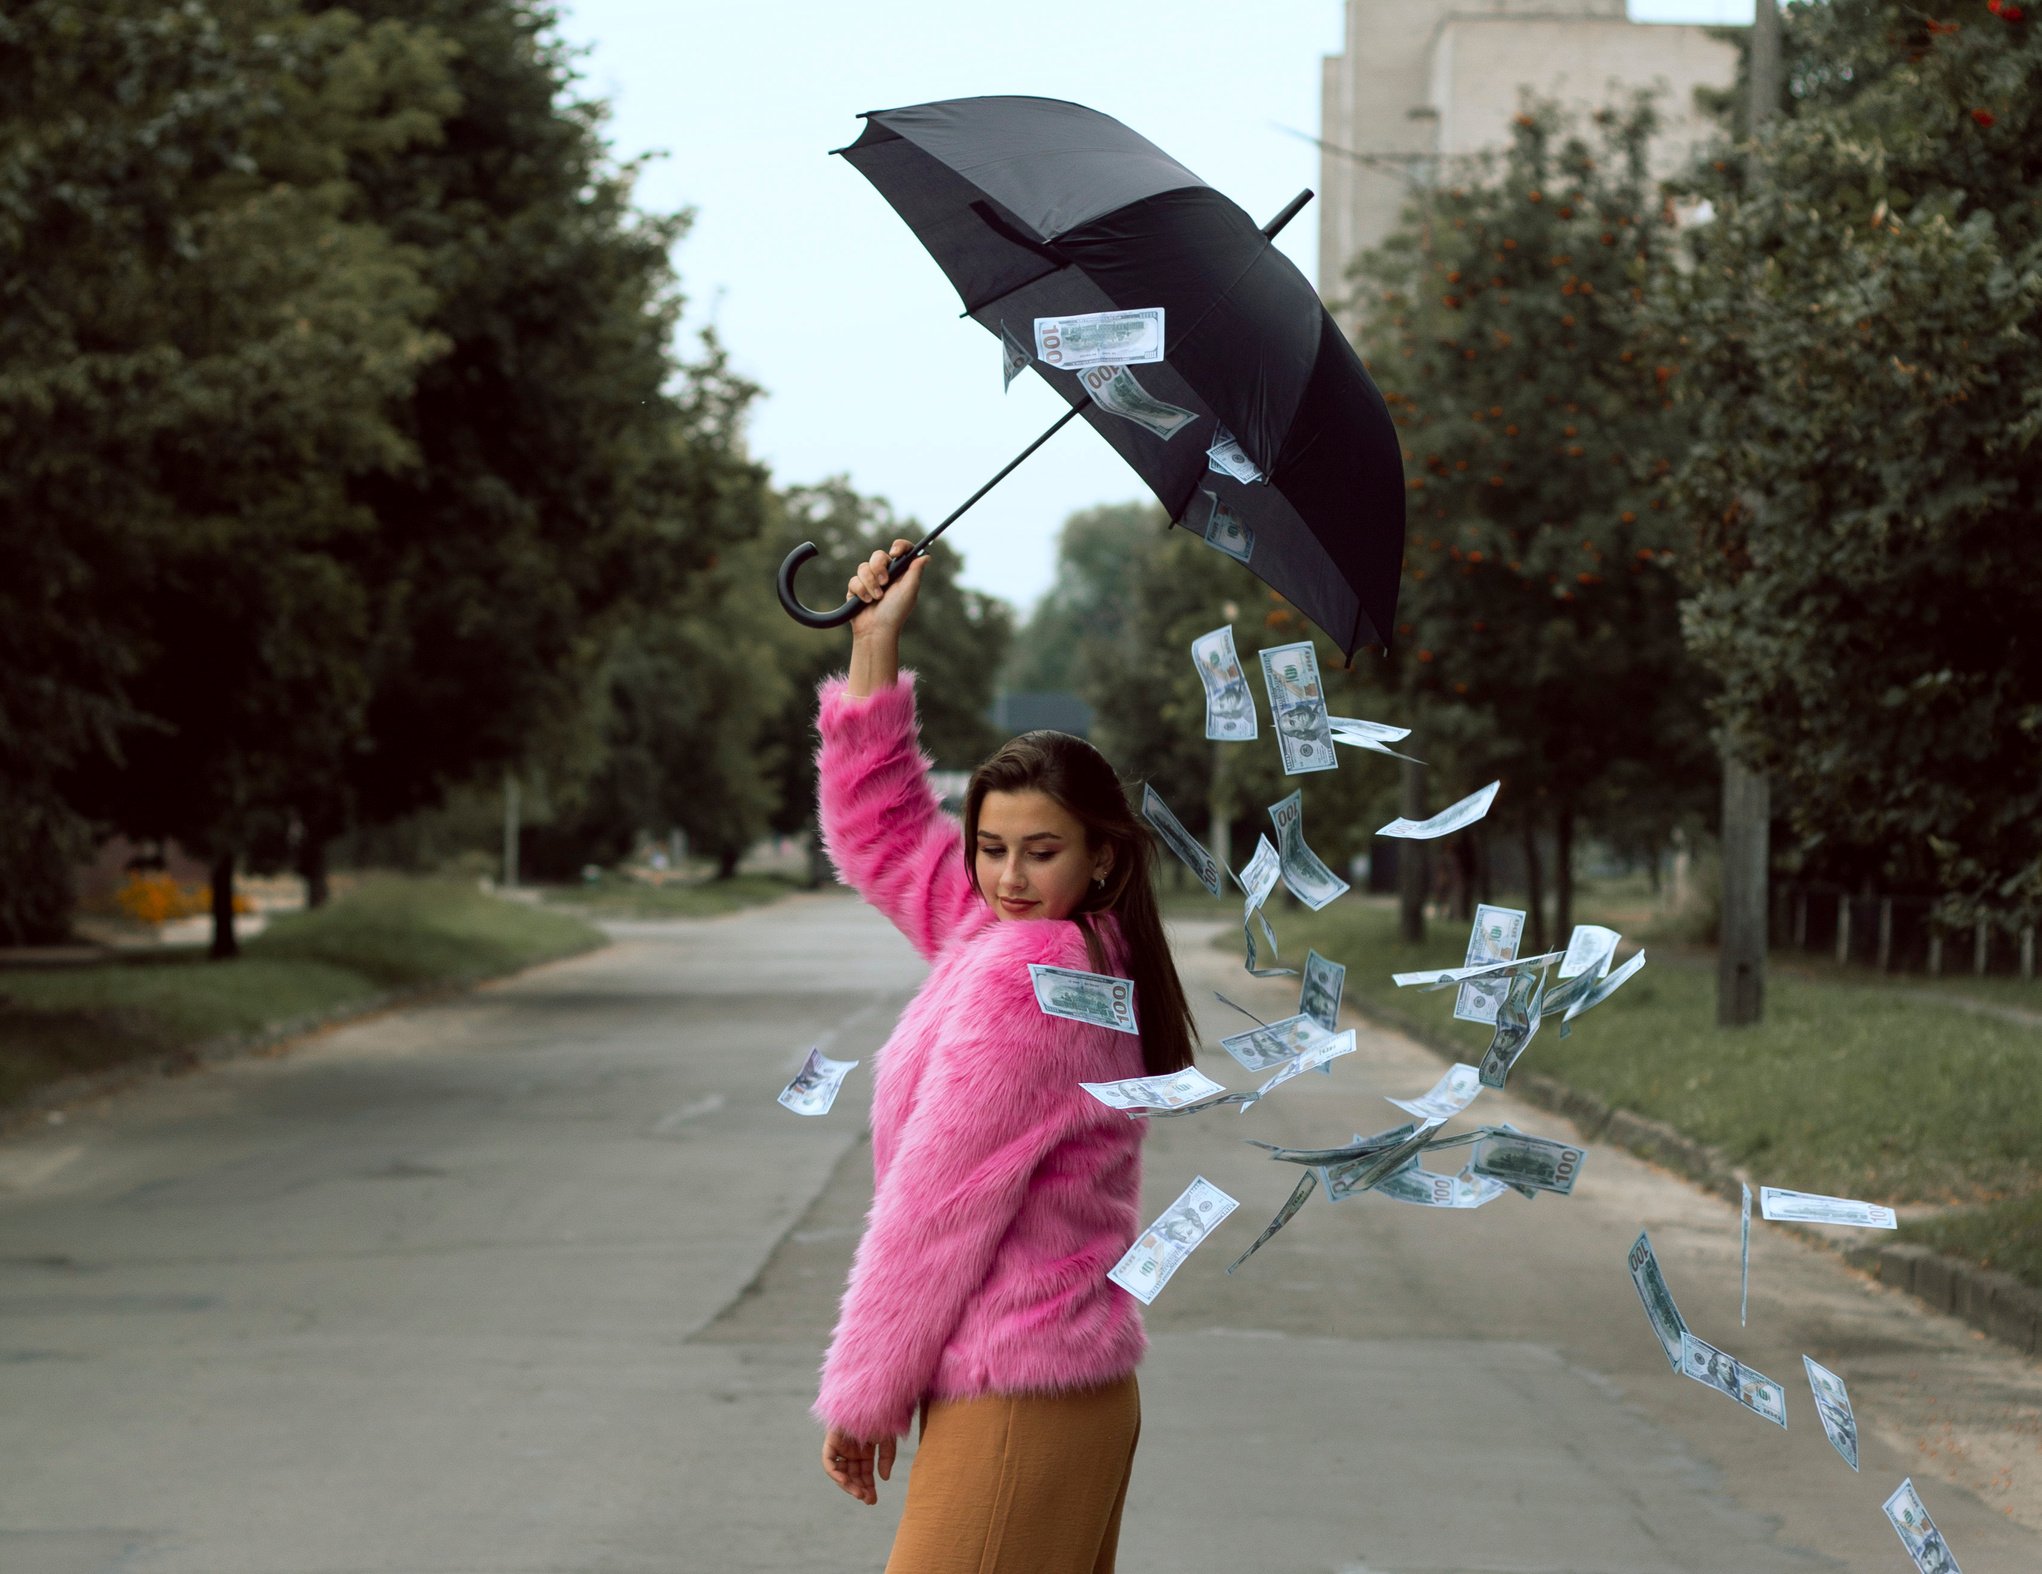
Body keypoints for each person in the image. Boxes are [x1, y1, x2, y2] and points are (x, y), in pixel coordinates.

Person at [812, 540, 1199, 1574]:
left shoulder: (1027, 978)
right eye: (990, 847)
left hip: (1016, 1389)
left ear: (1101, 854)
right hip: (1050, 1384)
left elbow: (940, 1204)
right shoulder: (1036, 943)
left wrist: (865, 1390)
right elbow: (885, 828)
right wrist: (873, 644)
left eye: (1041, 850)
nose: (1009, 875)